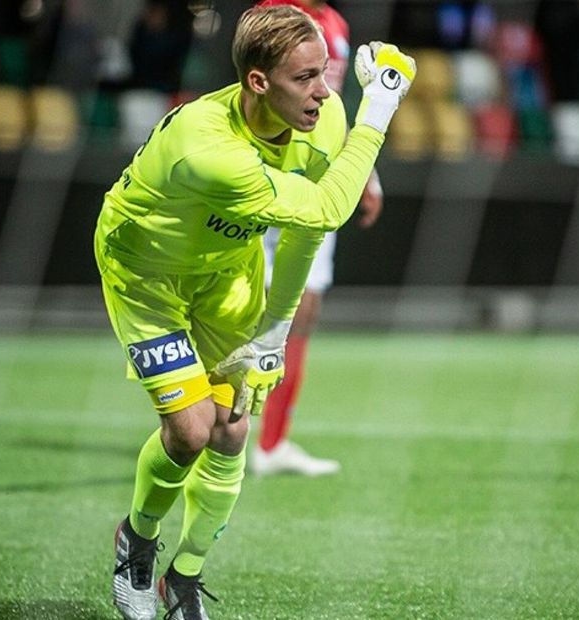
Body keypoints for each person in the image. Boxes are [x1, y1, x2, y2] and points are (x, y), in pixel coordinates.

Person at [97, 6, 416, 619]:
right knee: (190, 431)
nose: (323, 93)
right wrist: (379, 113)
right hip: (148, 274)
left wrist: (275, 330)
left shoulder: (319, 117)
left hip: (227, 271)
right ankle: (136, 541)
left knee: (233, 430)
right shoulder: (207, 147)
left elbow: (303, 237)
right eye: (305, 79)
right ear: (258, 83)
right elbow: (325, 209)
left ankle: (183, 579)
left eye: (325, 74)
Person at [251, 0, 384, 477]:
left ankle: (271, 443)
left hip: (320, 177)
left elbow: (335, 106)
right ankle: (215, 424)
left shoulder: (335, 23)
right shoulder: (270, 16)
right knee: (247, 304)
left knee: (304, 307)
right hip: (269, 173)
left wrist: (364, 174)